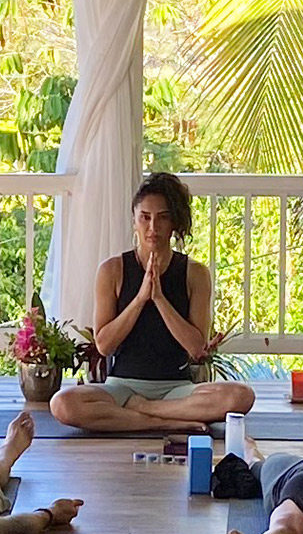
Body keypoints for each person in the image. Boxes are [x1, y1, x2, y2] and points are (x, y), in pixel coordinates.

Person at [50, 170, 258, 432]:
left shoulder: (195, 273)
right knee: (62, 404)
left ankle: (145, 412)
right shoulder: (112, 270)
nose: (152, 227)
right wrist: (140, 298)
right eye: (144, 217)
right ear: (134, 221)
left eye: (162, 218)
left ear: (174, 223)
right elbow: (103, 345)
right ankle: (166, 422)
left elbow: (196, 348)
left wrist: (159, 298)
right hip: (122, 388)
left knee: (241, 396)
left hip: (176, 390)